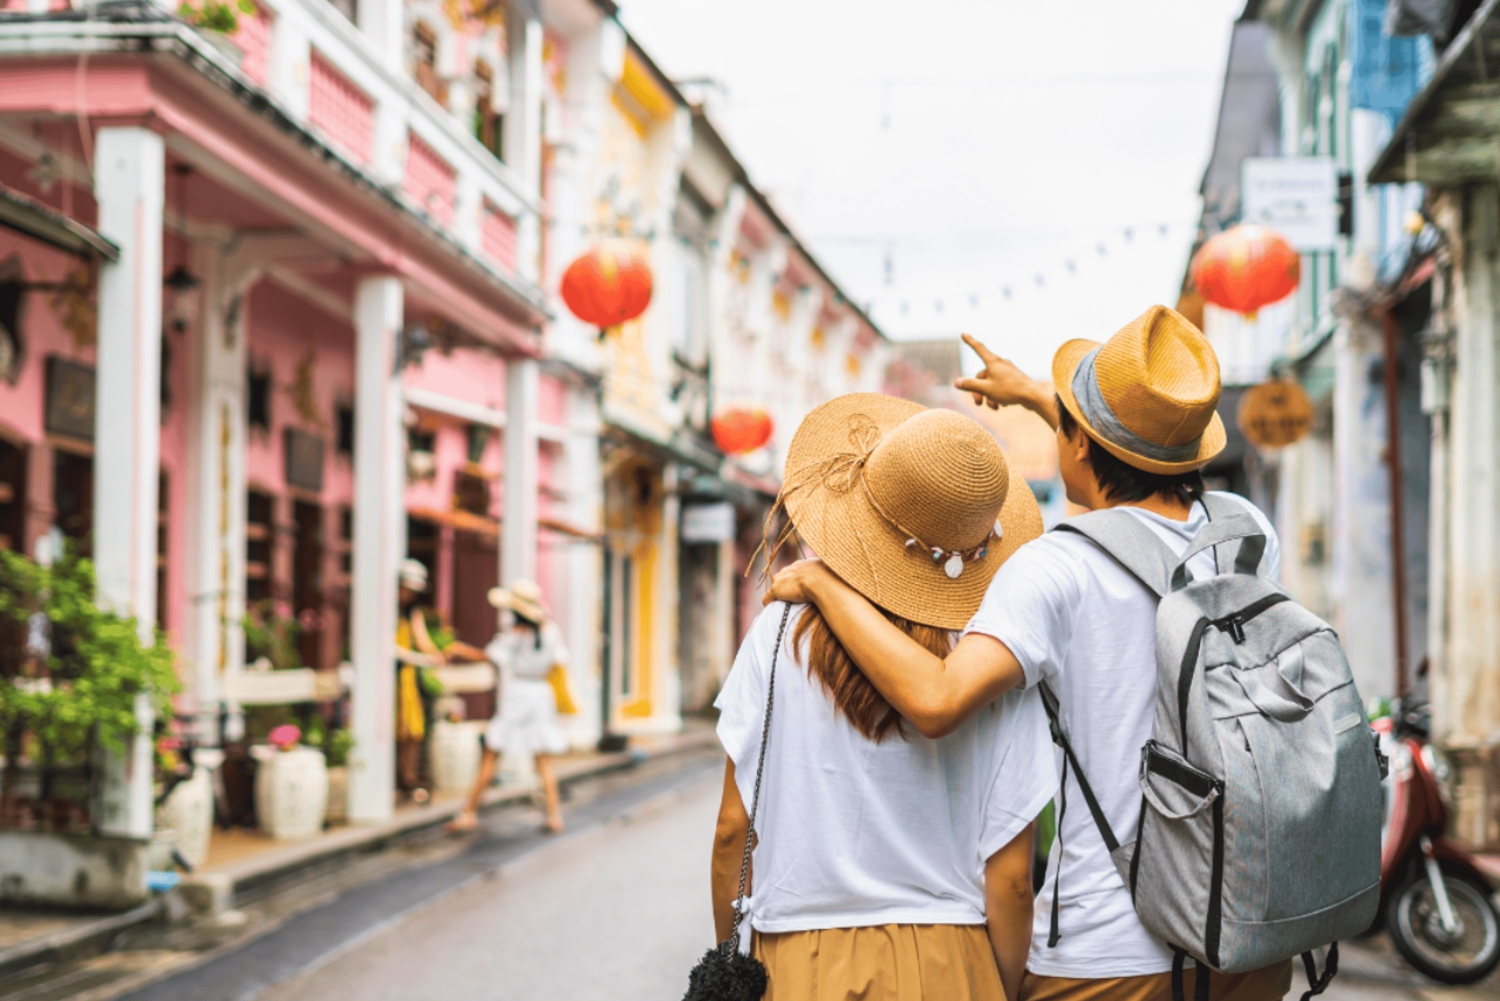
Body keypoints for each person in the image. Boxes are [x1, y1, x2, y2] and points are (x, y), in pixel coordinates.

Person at [766, 307, 1293, 1001]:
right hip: (1248, 933)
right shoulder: (1244, 533)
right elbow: (1130, 463)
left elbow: (937, 700)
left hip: (1110, 951)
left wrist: (823, 586)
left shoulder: (1054, 568)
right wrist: (1045, 402)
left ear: (1077, 445)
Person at [712, 394, 1057, 1001]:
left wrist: (728, 957)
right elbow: (1010, 881)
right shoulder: (990, 663)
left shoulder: (779, 636)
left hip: (798, 958)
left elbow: (732, 829)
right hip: (951, 960)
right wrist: (997, 987)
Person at [449, 579, 569, 834]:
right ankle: (554, 815)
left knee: (491, 754)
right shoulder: (551, 632)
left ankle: (468, 812)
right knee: (542, 759)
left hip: (518, 696)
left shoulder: (514, 636)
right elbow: (557, 663)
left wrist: (457, 648)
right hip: (540, 694)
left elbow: (489, 656)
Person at [395, 558, 485, 802]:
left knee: (414, 730)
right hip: (393, 677)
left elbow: (421, 638)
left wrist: (433, 654)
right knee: (396, 729)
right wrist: (419, 657)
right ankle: (397, 778)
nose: (408, 594)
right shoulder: (388, 610)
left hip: (409, 678)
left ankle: (409, 777)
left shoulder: (412, 612)